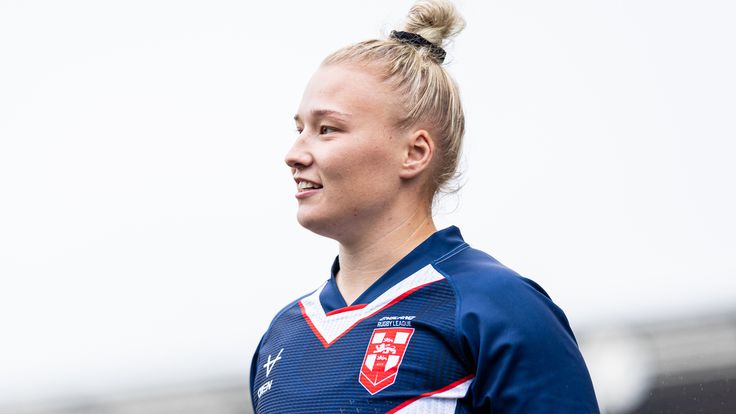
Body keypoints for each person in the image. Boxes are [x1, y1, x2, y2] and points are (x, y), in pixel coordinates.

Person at [249, 0, 599, 412]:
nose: (294, 153)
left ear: (414, 153)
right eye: (299, 129)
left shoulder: (496, 306)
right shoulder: (283, 337)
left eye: (327, 129)